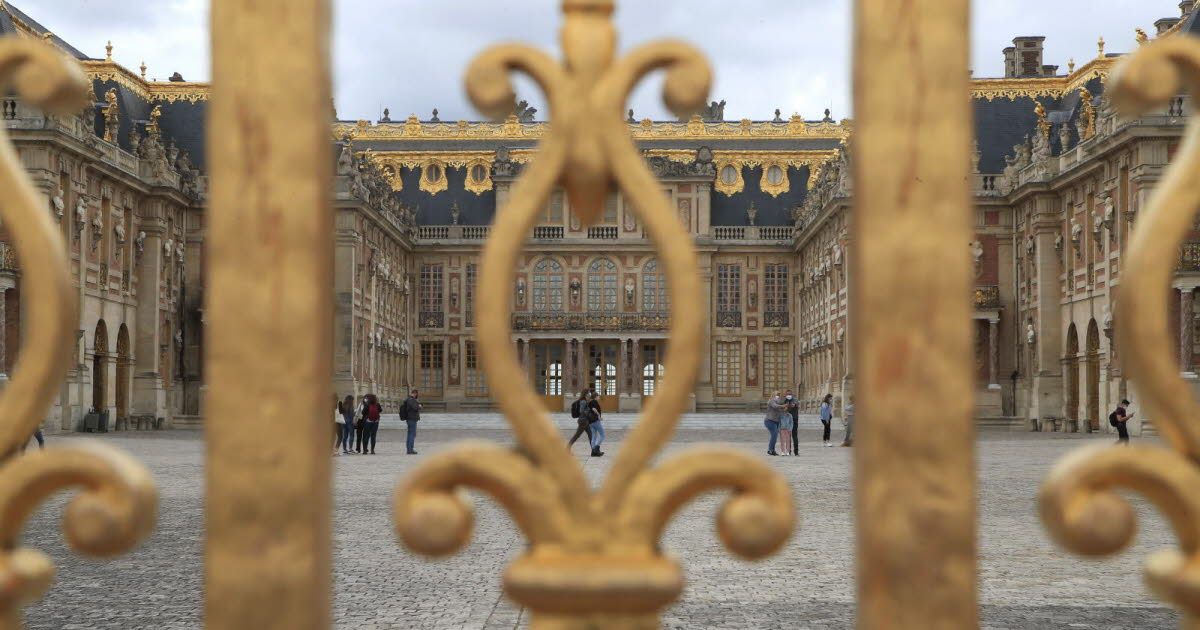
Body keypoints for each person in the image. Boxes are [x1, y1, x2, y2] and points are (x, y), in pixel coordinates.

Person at [400, 389, 422, 455]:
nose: (417, 396)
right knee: (412, 434)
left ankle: (409, 449)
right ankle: (410, 449)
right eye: (416, 394)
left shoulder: (409, 399)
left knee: (410, 434)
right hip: (412, 419)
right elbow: (415, 408)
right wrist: (419, 406)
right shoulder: (411, 400)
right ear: (415, 393)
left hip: (410, 419)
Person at [764, 391, 784, 456]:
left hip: (776, 421)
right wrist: (783, 406)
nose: (778, 396)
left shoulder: (779, 402)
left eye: (779, 394)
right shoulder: (771, 400)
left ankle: (772, 450)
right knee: (774, 435)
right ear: (773, 395)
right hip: (769, 420)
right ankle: (770, 450)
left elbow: (781, 410)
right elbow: (775, 406)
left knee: (774, 436)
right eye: (777, 394)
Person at [587, 390, 605, 457]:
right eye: (598, 396)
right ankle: (596, 450)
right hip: (595, 421)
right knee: (602, 435)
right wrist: (599, 416)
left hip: (590, 422)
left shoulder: (590, 402)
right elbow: (594, 409)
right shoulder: (594, 401)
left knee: (594, 436)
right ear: (595, 396)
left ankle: (593, 452)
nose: (599, 397)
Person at [785, 389, 800, 456]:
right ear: (785, 394)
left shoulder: (795, 399)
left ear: (792, 394)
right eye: (787, 394)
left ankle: (796, 452)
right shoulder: (784, 400)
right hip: (787, 420)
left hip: (794, 419)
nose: (789, 395)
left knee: (794, 435)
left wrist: (791, 405)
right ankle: (788, 451)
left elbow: (795, 404)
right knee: (788, 436)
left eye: (790, 394)